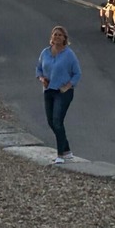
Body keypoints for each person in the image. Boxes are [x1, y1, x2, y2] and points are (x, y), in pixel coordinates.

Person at [35, 25, 81, 164]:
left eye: (60, 35)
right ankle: (67, 150)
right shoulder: (45, 53)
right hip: (48, 91)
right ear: (51, 37)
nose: (57, 37)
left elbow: (77, 73)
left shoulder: (69, 54)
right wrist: (42, 79)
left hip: (63, 93)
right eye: (55, 34)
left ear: (65, 38)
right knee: (51, 122)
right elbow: (38, 69)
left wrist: (68, 85)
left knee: (57, 121)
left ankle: (60, 155)